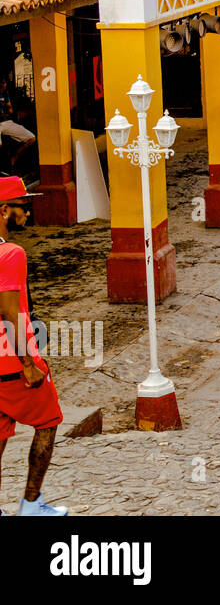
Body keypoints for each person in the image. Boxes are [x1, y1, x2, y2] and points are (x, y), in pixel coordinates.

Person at [0, 178, 68, 515]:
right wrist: (28, 362)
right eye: (22, 206)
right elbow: (9, 313)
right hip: (13, 363)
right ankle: (31, 504)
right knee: (49, 420)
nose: (27, 212)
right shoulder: (11, 254)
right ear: (3, 211)